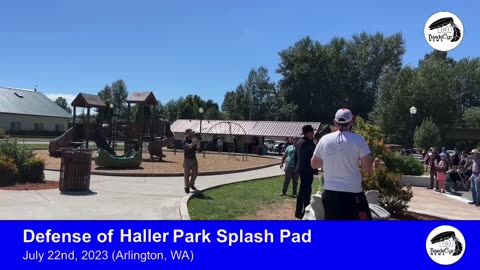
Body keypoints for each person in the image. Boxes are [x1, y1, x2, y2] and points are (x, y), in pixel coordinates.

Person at [311, 108, 373, 220]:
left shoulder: (325, 139)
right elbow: (367, 168)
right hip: (353, 191)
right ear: (351, 123)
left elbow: (314, 164)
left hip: (331, 192)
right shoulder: (358, 140)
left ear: (335, 122)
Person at [293, 125, 318, 219]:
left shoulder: (299, 142)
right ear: (308, 132)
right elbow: (316, 154)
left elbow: (296, 157)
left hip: (302, 169)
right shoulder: (308, 143)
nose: (313, 133)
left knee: (302, 191)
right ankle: (305, 211)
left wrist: (297, 168)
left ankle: (299, 211)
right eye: (312, 131)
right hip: (307, 170)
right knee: (306, 192)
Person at [182, 129, 200, 194]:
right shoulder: (184, 141)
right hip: (187, 160)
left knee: (195, 173)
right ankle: (187, 187)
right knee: (187, 174)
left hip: (194, 159)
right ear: (186, 133)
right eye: (190, 133)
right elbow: (190, 146)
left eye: (192, 133)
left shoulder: (193, 140)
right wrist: (195, 140)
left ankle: (191, 184)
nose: (192, 134)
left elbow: (197, 149)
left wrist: (198, 141)